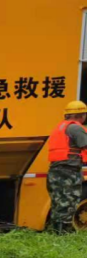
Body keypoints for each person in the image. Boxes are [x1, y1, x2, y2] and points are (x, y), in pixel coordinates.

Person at [46, 100, 87, 233]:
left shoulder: (61, 127)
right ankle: (63, 234)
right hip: (68, 172)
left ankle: (56, 232)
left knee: (58, 203)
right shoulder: (75, 128)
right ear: (82, 115)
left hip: (56, 171)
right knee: (68, 203)